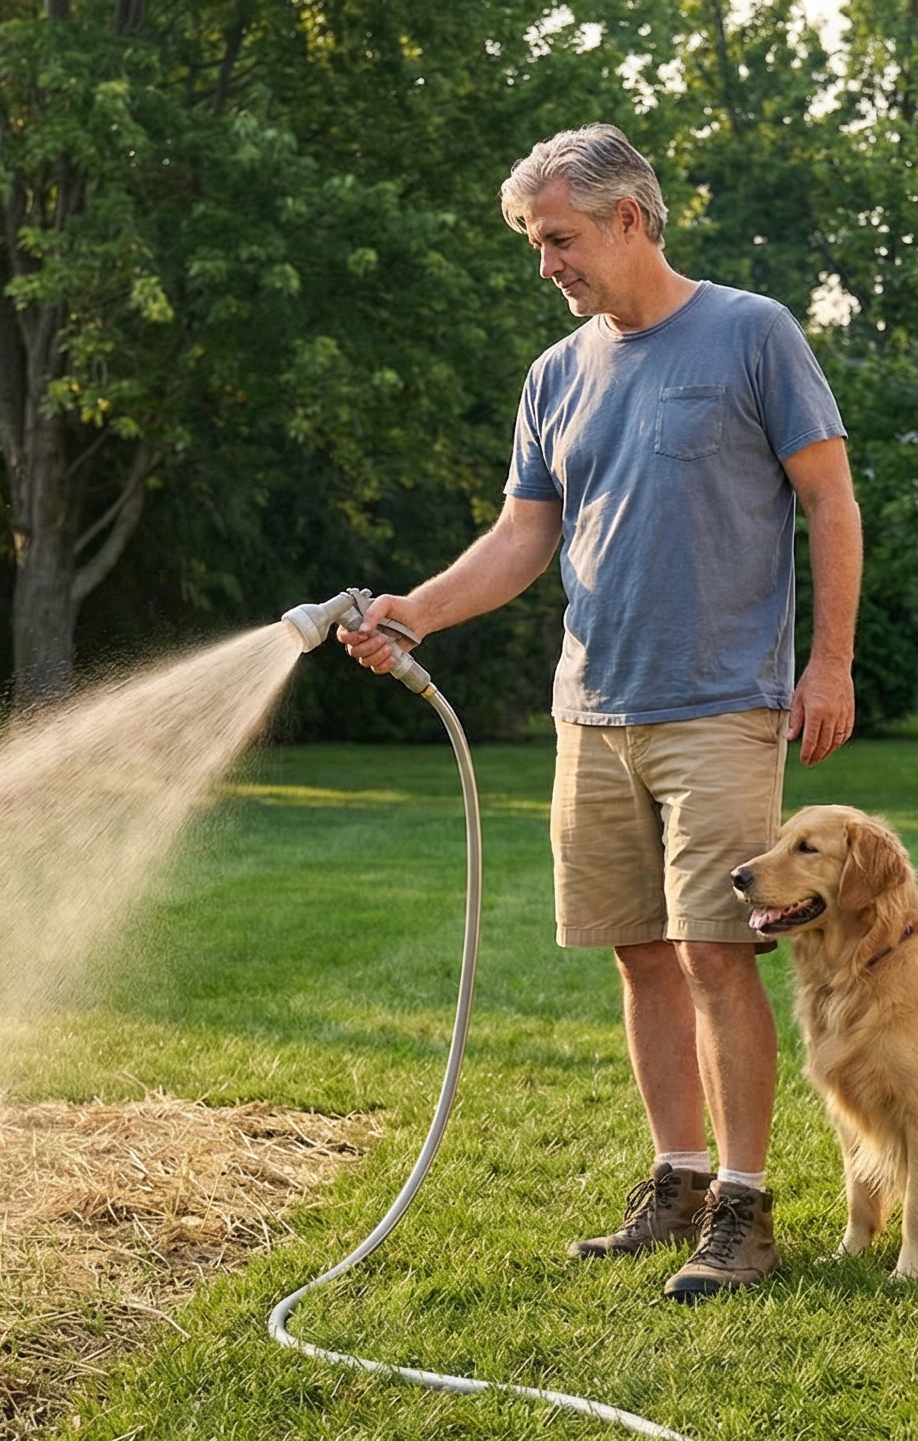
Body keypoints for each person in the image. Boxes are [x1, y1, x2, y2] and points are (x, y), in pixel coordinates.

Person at [342, 124, 861, 1303]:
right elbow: (526, 533)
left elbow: (828, 499)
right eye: (536, 244)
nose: (548, 265)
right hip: (595, 707)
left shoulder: (751, 333)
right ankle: (675, 1182)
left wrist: (828, 665)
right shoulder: (557, 374)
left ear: (630, 217)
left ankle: (744, 1205)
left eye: (559, 239)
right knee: (640, 953)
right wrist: (415, 610)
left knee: (717, 952)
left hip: (723, 702)